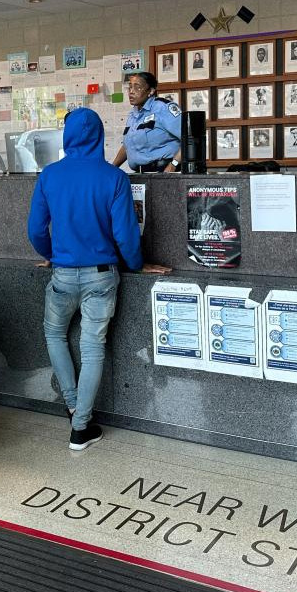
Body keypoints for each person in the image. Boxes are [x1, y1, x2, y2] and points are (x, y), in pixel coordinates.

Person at [28, 108, 144, 451]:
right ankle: (81, 428)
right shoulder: (114, 178)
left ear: (67, 136)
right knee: (93, 349)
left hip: (62, 274)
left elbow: (35, 229)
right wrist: (136, 265)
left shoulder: (49, 176)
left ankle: (72, 405)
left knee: (54, 333)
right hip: (102, 276)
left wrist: (51, 253)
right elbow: (126, 236)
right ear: (98, 136)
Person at [111, 72, 182, 173]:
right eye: (130, 87)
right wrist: (113, 168)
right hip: (140, 174)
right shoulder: (133, 114)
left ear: (151, 91)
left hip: (163, 172)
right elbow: (128, 146)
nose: (131, 91)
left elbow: (188, 137)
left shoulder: (162, 108)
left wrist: (173, 164)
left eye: (137, 87)